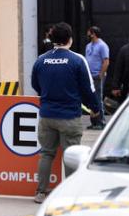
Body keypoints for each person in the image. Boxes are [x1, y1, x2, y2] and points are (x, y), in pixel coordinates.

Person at [30, 22, 101, 204]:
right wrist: (95, 108)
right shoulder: (77, 60)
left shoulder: (41, 60)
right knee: (71, 155)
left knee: (46, 153)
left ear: (53, 39)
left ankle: (40, 192)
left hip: (46, 116)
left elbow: (35, 84)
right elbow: (88, 88)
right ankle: (70, 195)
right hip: (69, 116)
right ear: (70, 39)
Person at [84, 25, 110, 129]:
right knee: (91, 99)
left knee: (98, 98)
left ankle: (101, 122)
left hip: (97, 77)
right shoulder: (88, 46)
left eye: (89, 32)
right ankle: (94, 122)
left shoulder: (102, 45)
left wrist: (101, 74)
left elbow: (106, 61)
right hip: (90, 76)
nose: (87, 34)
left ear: (93, 34)